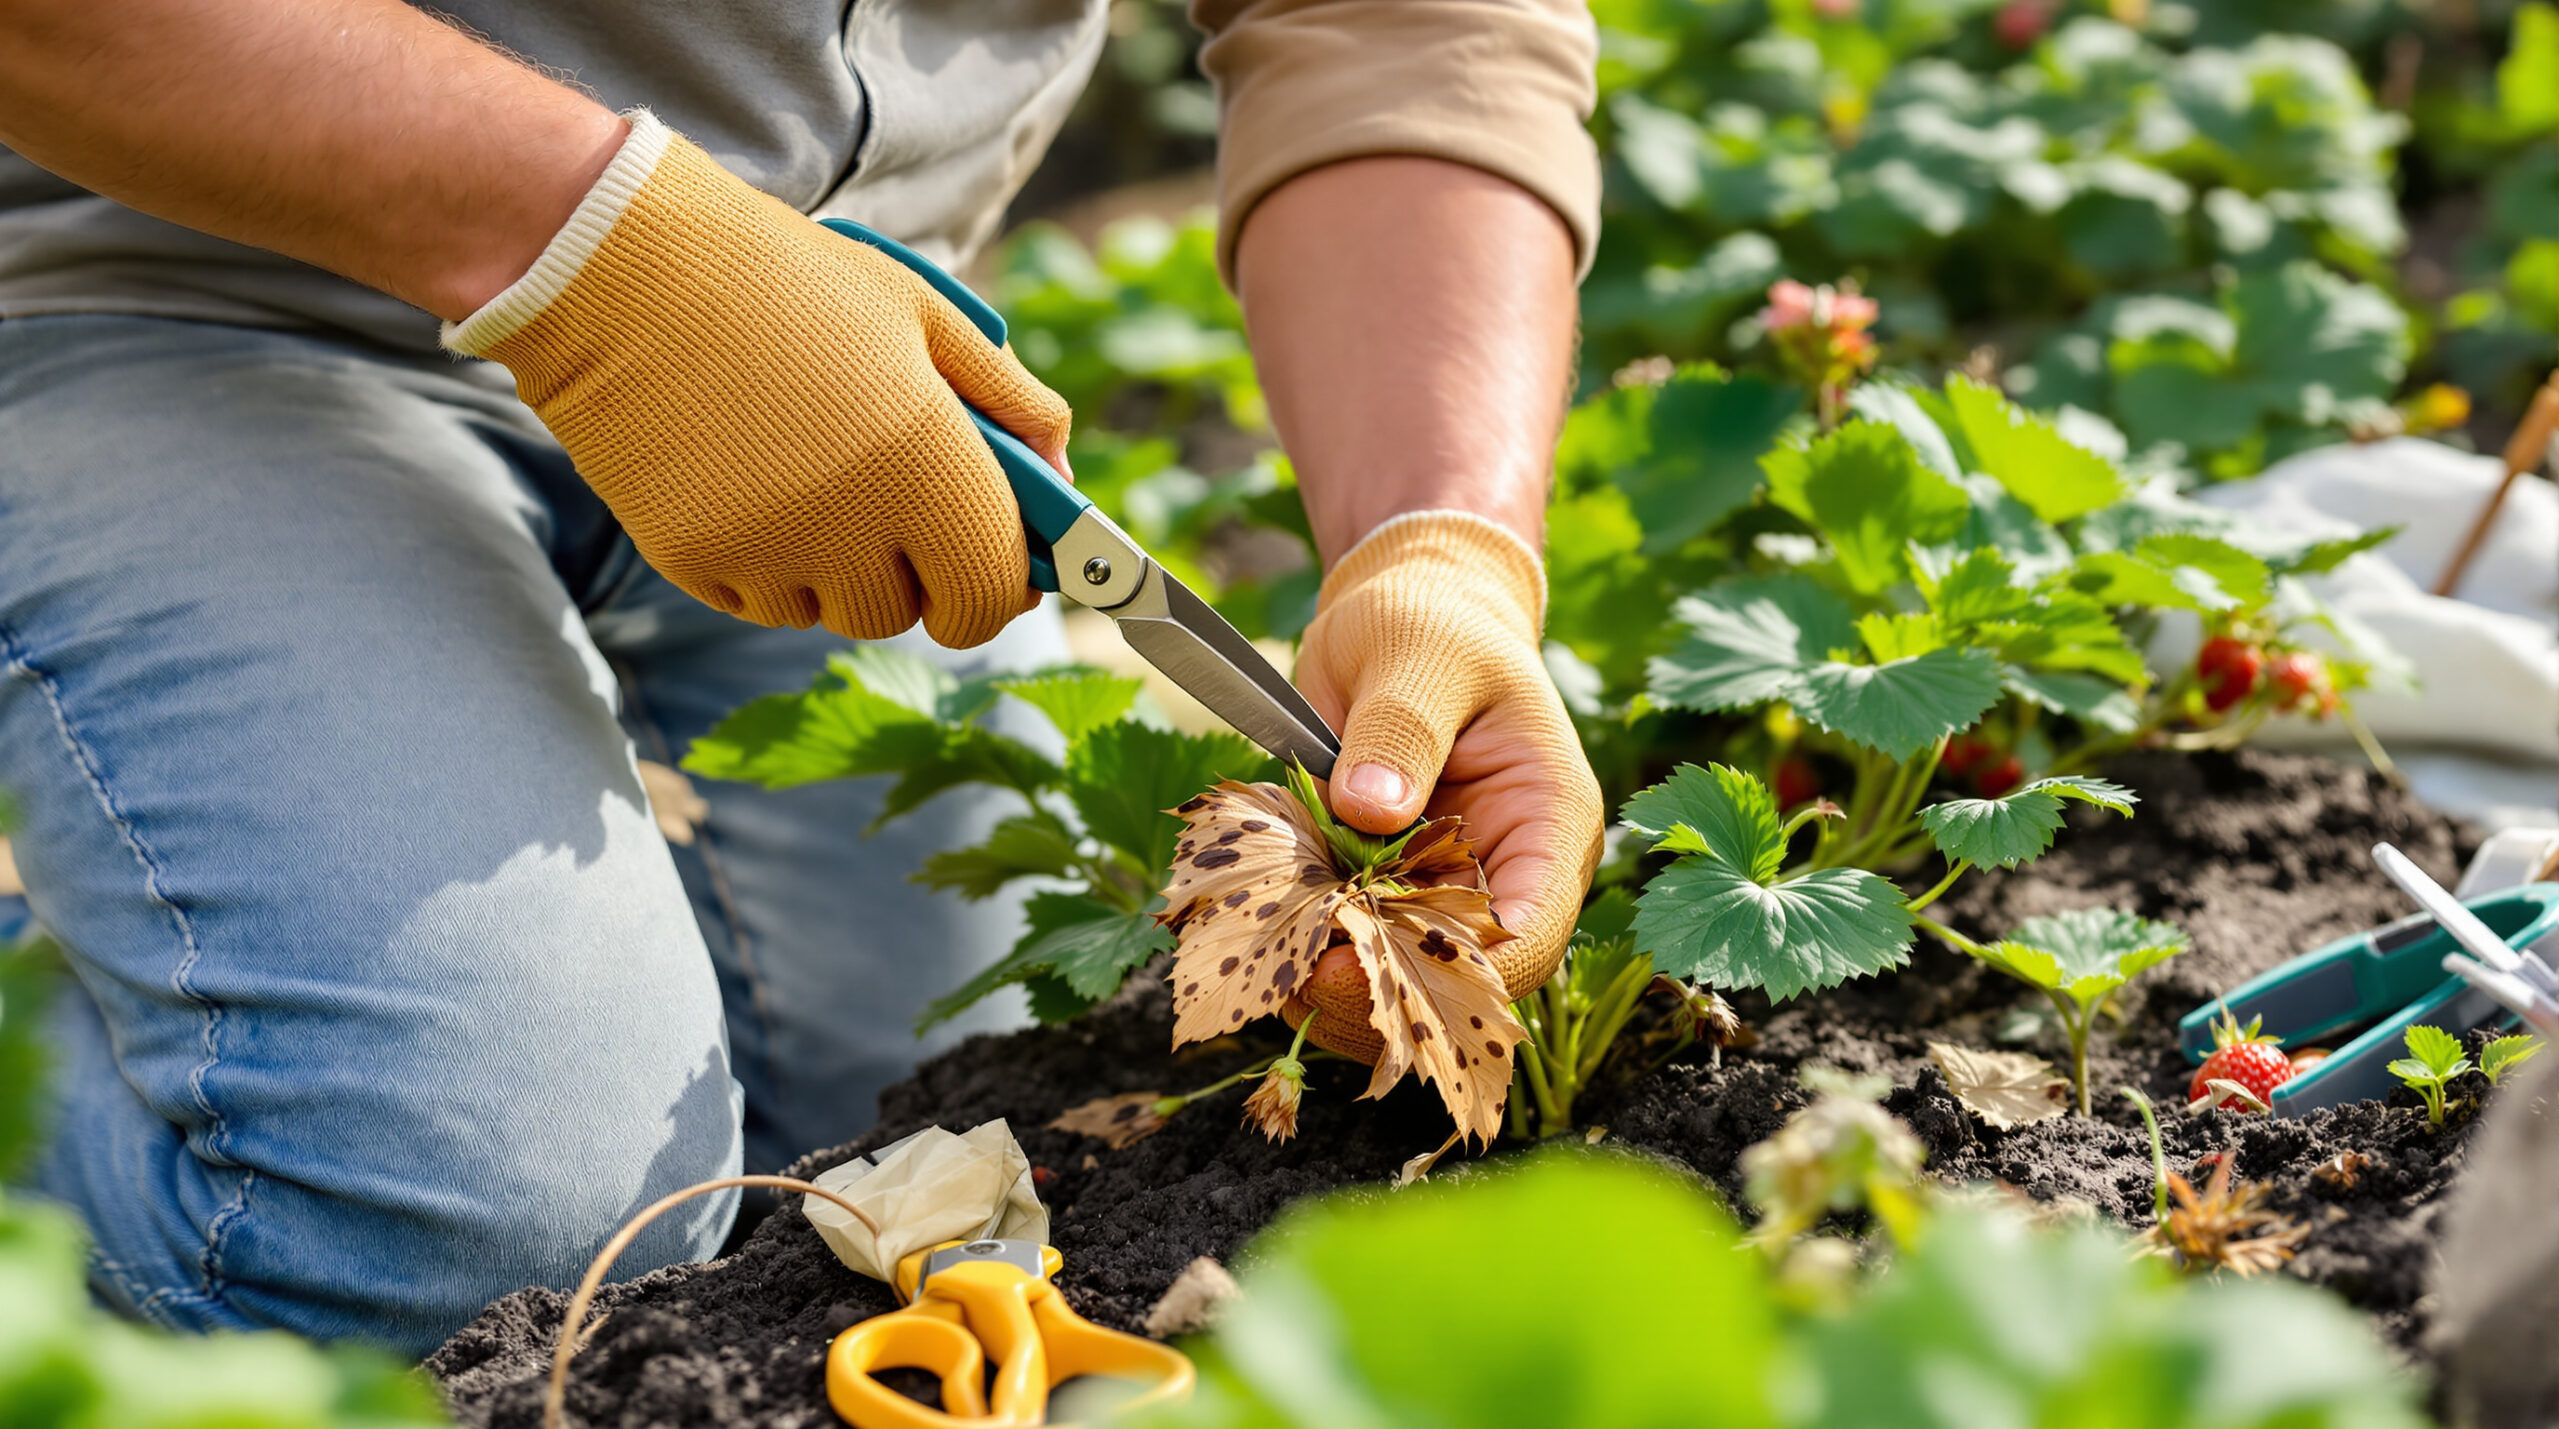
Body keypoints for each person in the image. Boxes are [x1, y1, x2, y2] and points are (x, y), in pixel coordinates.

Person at [0, 0, 1605, 1355]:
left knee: (927, 1110)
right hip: (178, 277)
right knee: (445, 1223)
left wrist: (1438, 537)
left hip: (849, 377)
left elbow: (1401, 23)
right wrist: (587, 238)